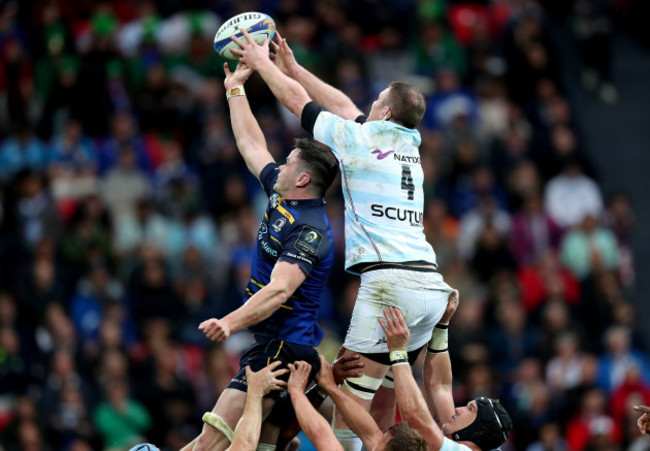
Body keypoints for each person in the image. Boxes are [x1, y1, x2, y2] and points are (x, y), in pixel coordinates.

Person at [232, 29, 457, 448]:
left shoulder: (361, 139)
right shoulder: (407, 141)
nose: (367, 107)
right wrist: (295, 68)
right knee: (384, 408)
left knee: (345, 415)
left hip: (391, 285)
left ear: (385, 113)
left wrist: (261, 64)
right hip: (430, 286)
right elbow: (347, 108)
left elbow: (303, 106)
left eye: (376, 103)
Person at [182, 61, 339, 451]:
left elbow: (278, 292)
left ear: (302, 178)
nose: (279, 164)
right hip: (279, 346)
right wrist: (235, 89)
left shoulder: (310, 230)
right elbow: (250, 145)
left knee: (211, 443)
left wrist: (228, 324)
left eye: (287, 163)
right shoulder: (281, 193)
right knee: (264, 446)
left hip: (281, 350)